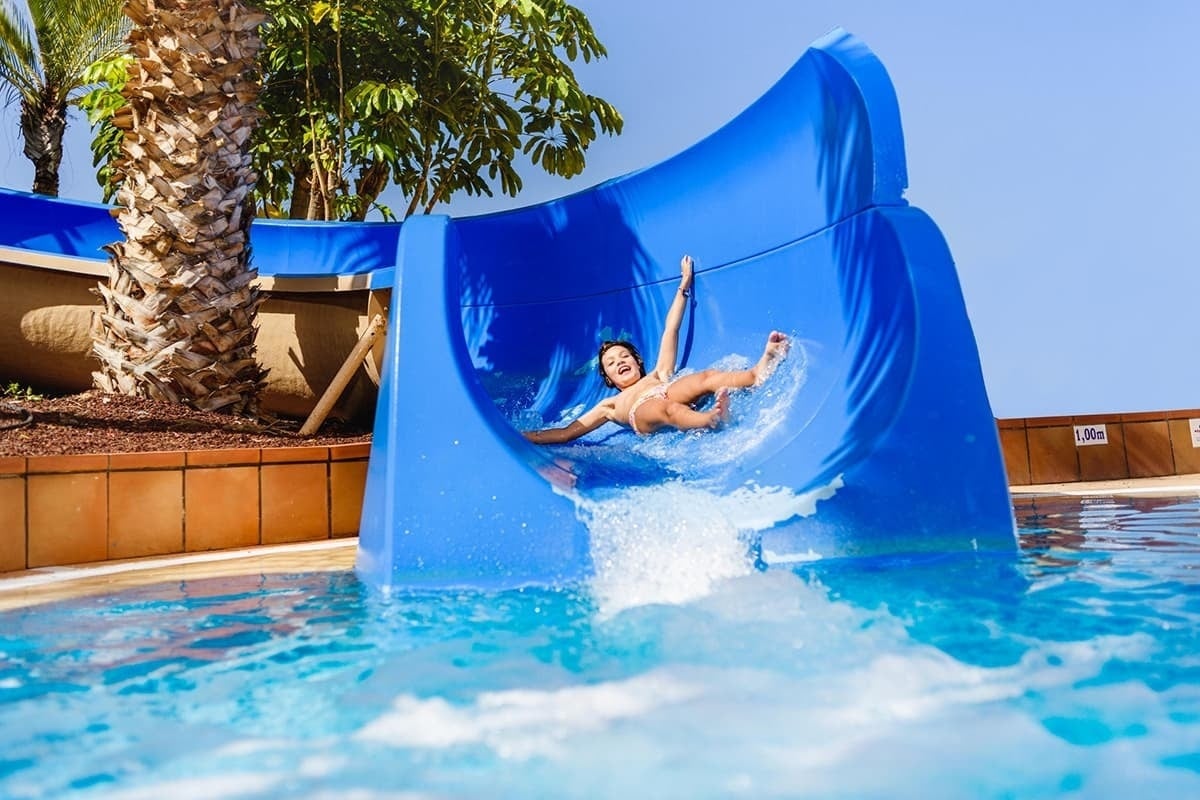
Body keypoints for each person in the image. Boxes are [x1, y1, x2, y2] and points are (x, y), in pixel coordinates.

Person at [524, 255, 789, 444]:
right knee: (669, 410)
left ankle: (754, 374)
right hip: (641, 411)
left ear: (638, 361)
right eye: (611, 364)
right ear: (609, 378)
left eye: (624, 356)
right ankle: (709, 420)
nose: (619, 362)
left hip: (662, 390)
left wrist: (683, 285)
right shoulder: (610, 405)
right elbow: (568, 432)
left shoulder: (659, 374)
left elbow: (670, 330)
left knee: (705, 377)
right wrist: (523, 438)